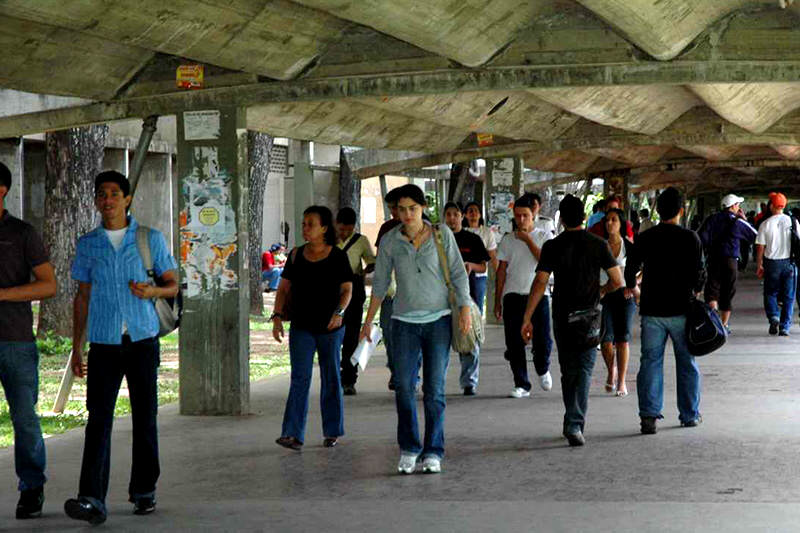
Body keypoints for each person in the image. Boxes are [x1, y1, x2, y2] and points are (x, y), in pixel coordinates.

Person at [65, 171, 178, 525]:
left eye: (115, 193)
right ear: (97, 201)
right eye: (102, 194)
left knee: (146, 418)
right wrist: (77, 347)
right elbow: (82, 296)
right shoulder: (88, 244)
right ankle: (91, 498)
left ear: (128, 199)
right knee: (98, 420)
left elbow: (173, 285)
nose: (108, 199)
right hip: (103, 342)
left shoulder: (149, 239)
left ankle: (144, 490)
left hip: (142, 340)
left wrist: (153, 291)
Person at [361, 184, 471, 475]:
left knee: (434, 390)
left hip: (439, 322)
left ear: (423, 208)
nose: (407, 214)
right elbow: (381, 283)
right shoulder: (390, 241)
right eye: (401, 209)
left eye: (413, 208)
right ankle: (410, 448)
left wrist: (465, 310)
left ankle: (433, 450)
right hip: (403, 324)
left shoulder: (441, 234)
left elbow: (459, 274)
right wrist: (368, 322)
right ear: (395, 212)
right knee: (404, 388)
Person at [521, 194, 622, 447]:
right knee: (585, 370)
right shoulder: (599, 244)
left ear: (562, 219)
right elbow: (618, 281)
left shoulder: (552, 246)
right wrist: (602, 290)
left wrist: (527, 317)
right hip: (590, 316)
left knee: (568, 371)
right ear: (585, 217)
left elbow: (540, 283)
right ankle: (575, 423)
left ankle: (572, 420)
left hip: (562, 317)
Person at [0, 163, 57, 520]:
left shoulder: (21, 233)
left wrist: (4, 294)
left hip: (15, 342)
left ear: (2, 190)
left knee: (24, 418)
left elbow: (48, 285)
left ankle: (31, 488)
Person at [625, 187, 705, 435]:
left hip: (652, 311)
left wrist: (634, 288)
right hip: (682, 309)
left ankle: (649, 417)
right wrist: (696, 290)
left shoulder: (646, 238)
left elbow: (630, 271)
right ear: (681, 210)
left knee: (650, 363)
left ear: (658, 210)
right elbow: (700, 274)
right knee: (687, 363)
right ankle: (689, 415)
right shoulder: (691, 238)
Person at [272, 205, 353, 450]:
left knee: (331, 377)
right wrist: (276, 316)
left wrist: (339, 313)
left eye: (310, 224)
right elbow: (283, 288)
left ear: (324, 228)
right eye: (303, 223)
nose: (305, 228)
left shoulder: (338, 256)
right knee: (300, 378)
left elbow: (347, 290)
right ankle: (293, 434)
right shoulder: (296, 255)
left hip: (330, 327)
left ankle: (332, 431)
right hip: (301, 326)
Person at [495, 194, 554, 398]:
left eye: (525, 216)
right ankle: (522, 383)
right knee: (514, 342)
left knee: (543, 339)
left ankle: (542, 367)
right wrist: (498, 300)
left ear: (533, 215)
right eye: (518, 216)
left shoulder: (544, 236)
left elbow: (546, 261)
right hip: (513, 294)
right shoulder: (507, 240)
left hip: (538, 295)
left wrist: (528, 240)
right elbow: (501, 271)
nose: (521, 220)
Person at [443, 202, 489, 395]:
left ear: (461, 216)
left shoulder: (473, 239)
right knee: (440, 338)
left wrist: (470, 265)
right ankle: (436, 381)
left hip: (467, 295)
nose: (452, 218)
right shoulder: (438, 240)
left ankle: (469, 381)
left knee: (469, 336)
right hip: (442, 296)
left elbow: (483, 267)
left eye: (455, 214)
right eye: (448, 215)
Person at [697, 194, 757, 332]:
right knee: (727, 292)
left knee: (712, 290)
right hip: (730, 260)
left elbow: (701, 238)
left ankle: (713, 321)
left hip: (713, 259)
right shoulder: (737, 221)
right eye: (738, 205)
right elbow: (754, 235)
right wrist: (745, 220)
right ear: (734, 206)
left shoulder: (711, 219)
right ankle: (724, 325)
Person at [336, 207, 376, 395]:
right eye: (341, 229)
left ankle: (349, 379)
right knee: (334, 335)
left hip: (355, 287)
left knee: (351, 335)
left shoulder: (361, 241)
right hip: (333, 288)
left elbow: (371, 261)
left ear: (353, 226)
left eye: (347, 229)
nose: (344, 232)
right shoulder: (330, 240)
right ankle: (334, 376)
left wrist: (366, 271)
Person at [598, 208, 638, 397]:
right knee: (605, 341)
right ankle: (610, 370)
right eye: (607, 220)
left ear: (621, 224)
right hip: (605, 297)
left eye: (614, 220)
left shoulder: (629, 248)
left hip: (624, 296)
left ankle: (621, 381)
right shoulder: (600, 247)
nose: (609, 223)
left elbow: (643, 269)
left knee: (622, 340)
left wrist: (633, 284)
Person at [755, 192, 800, 336]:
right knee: (789, 296)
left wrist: (759, 265)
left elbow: (760, 247)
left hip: (771, 263)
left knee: (770, 293)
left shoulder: (765, 223)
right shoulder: (793, 222)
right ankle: (784, 326)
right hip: (789, 263)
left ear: (771, 206)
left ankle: (774, 316)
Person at [375, 188, 403, 390]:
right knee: (389, 333)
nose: (394, 212)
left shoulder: (426, 228)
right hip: (390, 293)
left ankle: (411, 374)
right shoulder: (386, 229)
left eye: (396, 207)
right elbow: (380, 263)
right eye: (391, 208)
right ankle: (396, 371)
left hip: (413, 295)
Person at [463, 201, 498, 313]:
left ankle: (478, 330)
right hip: (462, 276)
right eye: (470, 211)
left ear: (480, 215)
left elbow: (492, 255)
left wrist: (499, 275)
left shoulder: (487, 232)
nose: (473, 213)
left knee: (477, 307)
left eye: (476, 211)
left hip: (479, 275)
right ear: (465, 215)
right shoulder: (462, 232)